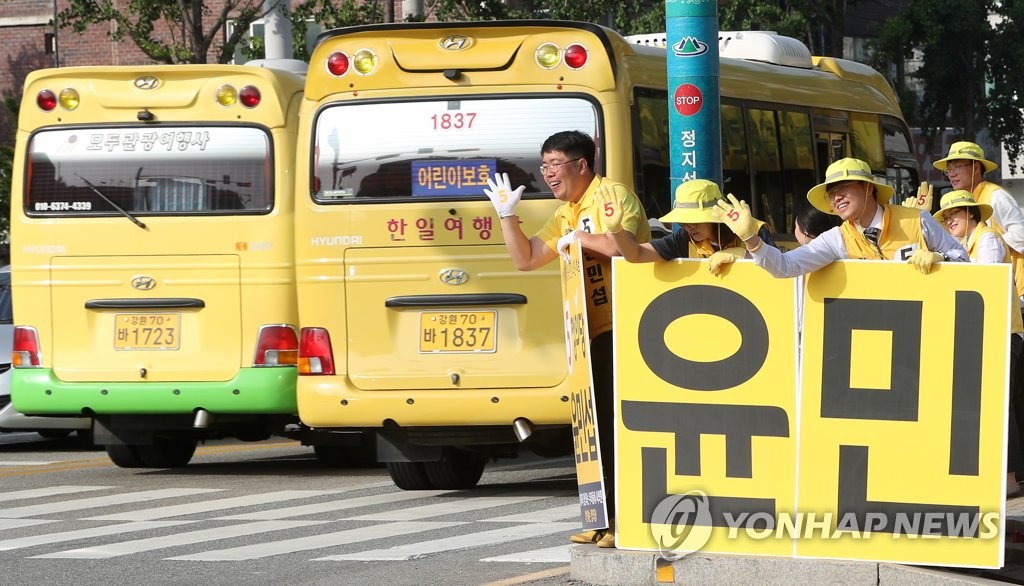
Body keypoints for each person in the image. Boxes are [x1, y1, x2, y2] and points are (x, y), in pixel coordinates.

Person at [483, 130, 651, 548]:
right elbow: (525, 259)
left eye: (555, 164)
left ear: (581, 164)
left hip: (625, 324)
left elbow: (623, 247)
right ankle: (602, 518)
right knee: (592, 429)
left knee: (616, 426)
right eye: (543, 166)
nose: (548, 174)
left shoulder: (610, 195)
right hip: (587, 331)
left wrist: (578, 240)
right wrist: (507, 216)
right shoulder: (567, 211)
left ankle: (625, 522)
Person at [714, 157, 969, 277]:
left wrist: (941, 258)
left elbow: (965, 261)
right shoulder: (836, 239)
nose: (837, 198)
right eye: (832, 194)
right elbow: (785, 267)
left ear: (868, 188)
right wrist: (751, 240)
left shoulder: (917, 220)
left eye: (844, 189)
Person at [933, 190, 1024, 498]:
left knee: (1002, 406)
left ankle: (1010, 478)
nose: (949, 221)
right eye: (945, 218)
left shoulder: (987, 240)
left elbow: (980, 280)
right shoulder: (966, 243)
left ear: (972, 214)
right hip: (988, 334)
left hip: (1003, 333)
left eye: (954, 215)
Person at [602, 178, 775, 275]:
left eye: (695, 220)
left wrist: (745, 254)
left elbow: (779, 270)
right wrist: (616, 230)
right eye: (683, 221)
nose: (688, 227)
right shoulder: (683, 239)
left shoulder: (754, 230)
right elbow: (635, 254)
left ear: (715, 216)